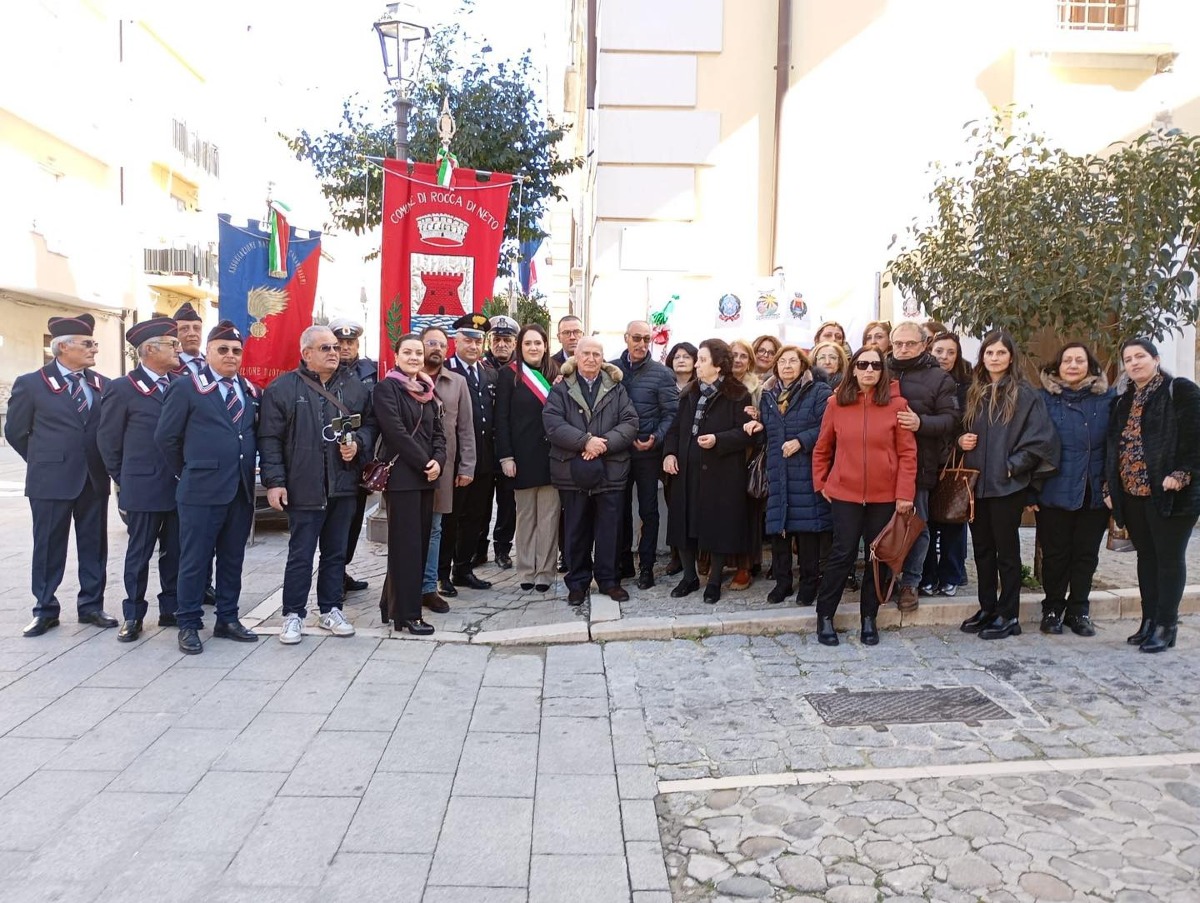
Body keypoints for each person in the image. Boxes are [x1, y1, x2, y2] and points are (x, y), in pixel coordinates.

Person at [258, 326, 378, 645]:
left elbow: (370, 424)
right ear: (306, 353)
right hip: (303, 487)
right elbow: (269, 440)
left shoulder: (354, 388)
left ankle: (330, 609)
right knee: (301, 554)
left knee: (335, 553)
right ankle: (293, 614)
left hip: (343, 485)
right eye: (326, 348)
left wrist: (358, 444)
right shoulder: (282, 388)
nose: (334, 353)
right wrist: (275, 482)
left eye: (336, 347)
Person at [156, 320, 262, 654]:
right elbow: (167, 438)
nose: (231, 356)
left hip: (240, 490)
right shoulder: (187, 388)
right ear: (208, 352)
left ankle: (227, 618)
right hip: (201, 490)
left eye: (236, 351)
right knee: (195, 560)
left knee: (232, 559)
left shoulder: (249, 390)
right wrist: (190, 471)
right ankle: (188, 623)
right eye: (223, 349)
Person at [6, 314, 116, 637]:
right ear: (63, 347)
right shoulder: (32, 384)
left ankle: (91, 605)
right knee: (48, 546)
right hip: (50, 480)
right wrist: (44, 460)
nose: (94, 349)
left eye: (94, 343)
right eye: (88, 344)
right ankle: (44, 609)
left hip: (93, 479)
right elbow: (15, 432)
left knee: (94, 545)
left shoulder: (102, 384)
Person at [811, 346, 917, 646]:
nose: (869, 370)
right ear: (853, 369)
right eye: (863, 364)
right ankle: (825, 615)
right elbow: (822, 448)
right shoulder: (836, 403)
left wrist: (904, 493)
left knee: (877, 557)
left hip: (885, 496)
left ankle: (869, 617)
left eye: (875, 365)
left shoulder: (898, 405)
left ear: (883, 371)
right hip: (845, 493)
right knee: (842, 553)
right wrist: (822, 483)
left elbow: (907, 453)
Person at [958, 330, 1059, 641]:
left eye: (1000, 353)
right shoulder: (974, 392)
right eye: (989, 353)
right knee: (982, 550)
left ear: (1011, 357)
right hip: (976, 485)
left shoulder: (1026, 395)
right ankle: (987, 607)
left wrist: (1012, 465)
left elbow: (1041, 439)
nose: (994, 358)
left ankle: (1009, 614)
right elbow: (959, 429)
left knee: (1007, 552)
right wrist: (961, 440)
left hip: (1007, 486)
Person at [1106, 338, 1200, 653]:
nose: (1134, 363)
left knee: (1168, 559)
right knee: (1146, 558)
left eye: (1140, 356)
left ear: (1156, 359)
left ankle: (1166, 625)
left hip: (1172, 494)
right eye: (1128, 359)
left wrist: (1182, 474)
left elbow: (1195, 437)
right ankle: (1148, 621)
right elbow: (1113, 447)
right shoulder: (1123, 400)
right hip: (1133, 493)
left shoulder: (1180, 390)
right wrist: (1110, 486)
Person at [96, 317, 181, 641]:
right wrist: (124, 478)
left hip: (178, 485)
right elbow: (108, 440)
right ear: (149, 350)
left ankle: (170, 608)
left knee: (175, 551)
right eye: (172, 344)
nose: (178, 349)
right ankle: (133, 615)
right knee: (139, 554)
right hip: (142, 487)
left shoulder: (180, 384)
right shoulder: (123, 388)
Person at [543, 336, 639, 604]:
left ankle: (609, 581)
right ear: (576, 356)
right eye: (586, 353)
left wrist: (601, 444)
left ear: (602, 358)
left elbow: (630, 422)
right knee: (576, 530)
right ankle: (577, 583)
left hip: (611, 470)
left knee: (610, 530)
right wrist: (585, 441)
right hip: (571, 471)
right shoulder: (561, 388)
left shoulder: (617, 388)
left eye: (597, 354)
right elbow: (552, 423)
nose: (591, 359)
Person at [663, 338, 757, 604]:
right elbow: (675, 429)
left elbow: (746, 433)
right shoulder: (690, 392)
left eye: (702, 360)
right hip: (686, 471)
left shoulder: (738, 393)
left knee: (717, 526)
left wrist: (718, 440)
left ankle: (714, 581)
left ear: (718, 365)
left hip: (721, 472)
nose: (697, 365)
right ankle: (689, 577)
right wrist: (669, 453)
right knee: (684, 523)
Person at [1034, 343, 1114, 637]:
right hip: (1053, 489)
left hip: (1093, 490)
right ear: (1057, 367)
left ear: (1090, 366)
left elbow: (1115, 445)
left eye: (1079, 360)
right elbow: (1032, 444)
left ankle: (1079, 610)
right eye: (1067, 360)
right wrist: (1031, 490)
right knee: (1055, 555)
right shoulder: (1042, 399)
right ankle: (1052, 608)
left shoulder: (1107, 400)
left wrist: (1111, 486)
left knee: (1085, 555)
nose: (1073, 365)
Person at [745, 346, 833, 606]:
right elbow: (769, 432)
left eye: (793, 361)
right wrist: (758, 425)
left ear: (803, 365)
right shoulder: (768, 395)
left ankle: (809, 583)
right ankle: (782, 582)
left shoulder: (819, 391)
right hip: (777, 469)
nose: (787, 366)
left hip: (806, 468)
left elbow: (827, 427)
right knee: (779, 529)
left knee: (807, 531)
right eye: (782, 361)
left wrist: (802, 441)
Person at [373, 333, 446, 635]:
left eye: (418, 352)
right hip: (403, 478)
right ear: (397, 356)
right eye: (408, 352)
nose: (414, 357)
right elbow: (396, 432)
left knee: (418, 545)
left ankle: (389, 603)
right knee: (407, 548)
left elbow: (438, 432)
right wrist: (424, 462)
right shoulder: (386, 388)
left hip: (426, 479)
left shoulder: (427, 390)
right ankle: (408, 615)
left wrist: (439, 460)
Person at [887, 321, 959, 612]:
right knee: (881, 526)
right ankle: (884, 579)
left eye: (910, 344)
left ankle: (910, 583)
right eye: (898, 343)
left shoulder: (939, 378)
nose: (903, 349)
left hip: (919, 464)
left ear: (923, 345)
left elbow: (951, 419)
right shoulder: (879, 369)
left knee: (916, 526)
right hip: (880, 464)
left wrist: (921, 423)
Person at [612, 319, 678, 590]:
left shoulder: (662, 374)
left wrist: (656, 438)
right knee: (618, 509)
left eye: (646, 339)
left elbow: (671, 413)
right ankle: (623, 562)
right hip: (617, 452)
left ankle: (647, 566)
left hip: (647, 453)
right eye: (636, 338)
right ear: (626, 337)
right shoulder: (611, 369)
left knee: (648, 511)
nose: (641, 344)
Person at [496, 323, 561, 591]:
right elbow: (501, 419)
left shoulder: (557, 373)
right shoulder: (508, 375)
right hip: (521, 458)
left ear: (545, 346)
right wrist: (506, 457)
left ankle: (545, 572)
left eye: (538, 343)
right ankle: (526, 570)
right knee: (525, 518)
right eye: (528, 343)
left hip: (552, 457)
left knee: (549, 517)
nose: (533, 347)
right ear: (520, 347)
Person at [418, 326, 475, 611]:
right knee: (408, 530)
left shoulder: (457, 383)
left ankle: (429, 588)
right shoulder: (403, 379)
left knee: (435, 529)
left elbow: (466, 428)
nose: (437, 349)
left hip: (444, 468)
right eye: (431, 343)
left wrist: (467, 466)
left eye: (442, 344)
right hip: (407, 468)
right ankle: (404, 586)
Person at [441, 313, 497, 589]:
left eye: (478, 341)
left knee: (475, 517)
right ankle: (442, 574)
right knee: (451, 519)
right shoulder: (446, 371)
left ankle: (463, 569)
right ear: (456, 341)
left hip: (483, 459)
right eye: (468, 340)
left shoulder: (488, 372)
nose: (474, 346)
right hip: (456, 460)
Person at [329, 317, 378, 597]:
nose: (345, 347)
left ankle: (342, 570)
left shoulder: (372, 371)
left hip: (361, 459)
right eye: (340, 342)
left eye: (350, 342)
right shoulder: (325, 370)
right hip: (331, 460)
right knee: (335, 524)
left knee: (354, 520)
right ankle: (332, 576)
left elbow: (374, 418)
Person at [921, 332, 972, 596]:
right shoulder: (922, 380)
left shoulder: (967, 386)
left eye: (951, 352)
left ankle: (951, 574)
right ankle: (927, 576)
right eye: (939, 351)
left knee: (953, 518)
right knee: (925, 522)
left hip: (953, 461)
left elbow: (969, 422)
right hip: (924, 459)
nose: (944, 357)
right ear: (930, 351)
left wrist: (960, 440)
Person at [477, 314, 519, 569]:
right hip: (483, 447)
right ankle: (477, 549)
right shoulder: (479, 368)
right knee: (480, 503)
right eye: (496, 339)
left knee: (507, 504)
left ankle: (503, 549)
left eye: (507, 340)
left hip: (509, 448)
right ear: (489, 341)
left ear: (514, 343)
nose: (501, 344)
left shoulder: (520, 371)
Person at [728, 338, 764, 590]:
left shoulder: (757, 387)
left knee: (747, 513)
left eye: (743, 356)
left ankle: (746, 565)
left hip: (747, 455)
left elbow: (767, 419)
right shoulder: (716, 383)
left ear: (750, 361)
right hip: (720, 454)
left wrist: (758, 416)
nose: (738, 360)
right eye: (734, 355)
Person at [663, 341, 698, 576]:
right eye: (677, 356)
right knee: (673, 506)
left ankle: (698, 557)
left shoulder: (701, 387)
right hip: (667, 449)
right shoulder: (665, 385)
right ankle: (676, 555)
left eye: (686, 356)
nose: (681, 360)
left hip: (693, 453)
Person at [171, 302, 207, 377]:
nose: (192, 333)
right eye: (184, 328)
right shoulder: (169, 367)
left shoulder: (213, 364)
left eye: (196, 328)